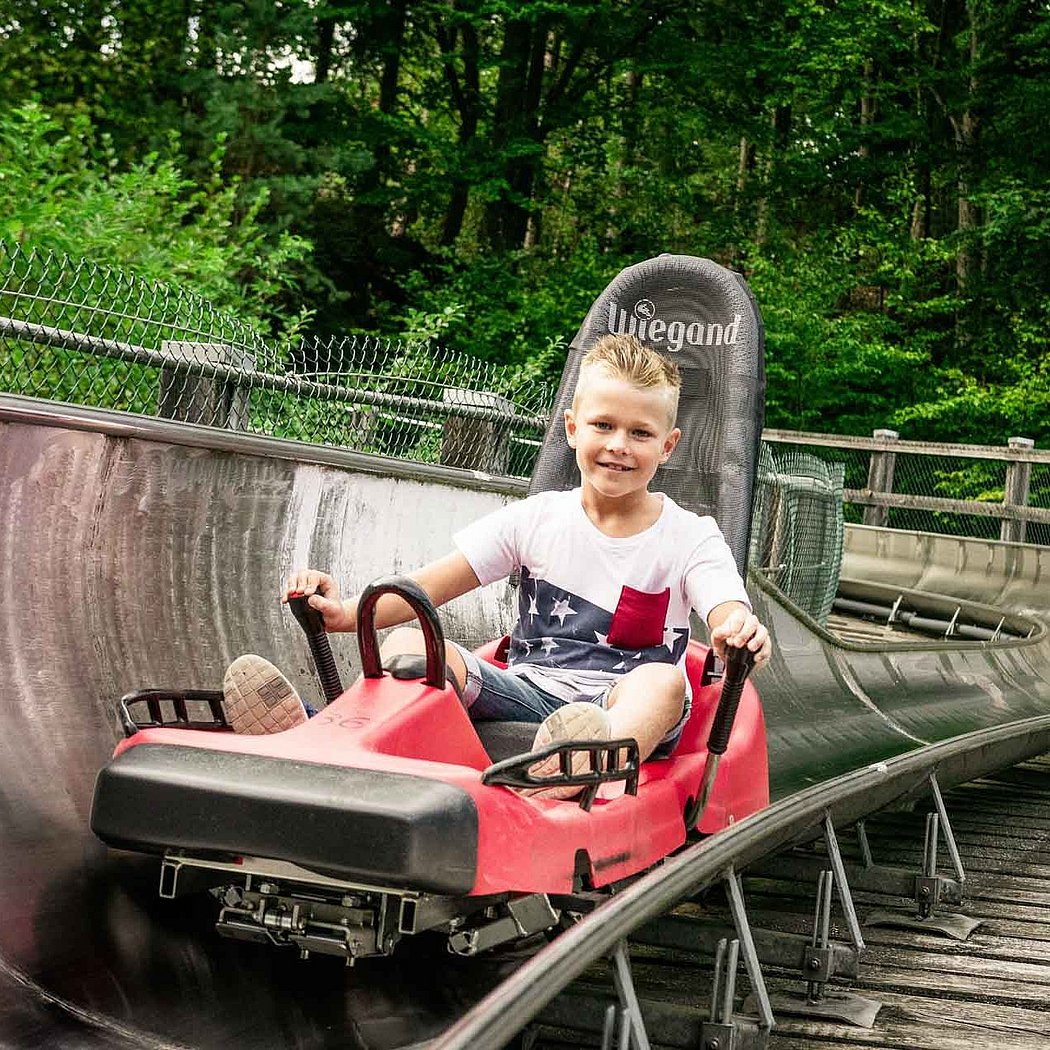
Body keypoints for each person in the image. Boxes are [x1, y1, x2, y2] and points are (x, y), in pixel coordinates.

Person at [223, 334, 771, 798]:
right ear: (572, 428)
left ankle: (583, 772)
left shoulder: (689, 535)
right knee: (408, 648)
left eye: (640, 434)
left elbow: (723, 602)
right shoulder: (535, 519)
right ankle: (324, 738)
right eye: (603, 425)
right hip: (532, 692)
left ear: (668, 445)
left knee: (661, 680)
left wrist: (735, 626)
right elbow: (428, 587)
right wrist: (342, 613)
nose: (618, 446)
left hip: (624, 704)